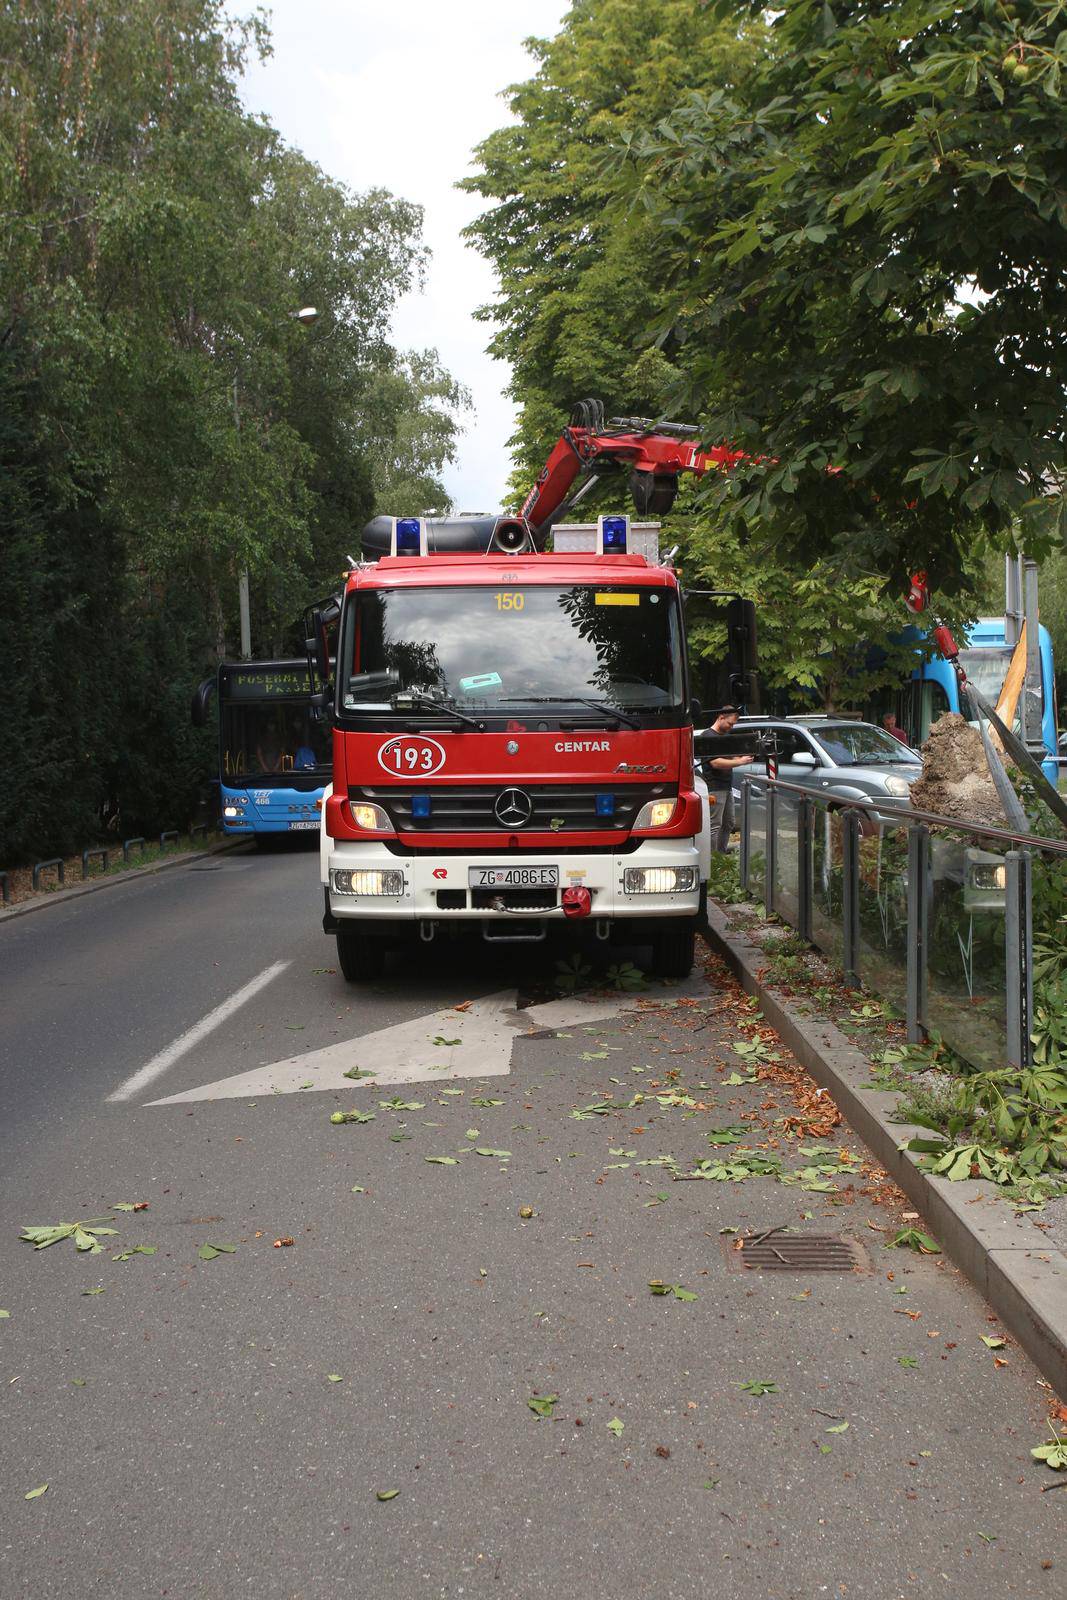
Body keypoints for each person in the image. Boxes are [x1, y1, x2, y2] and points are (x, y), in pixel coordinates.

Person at [702, 706, 752, 850]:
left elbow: (732, 756)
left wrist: (745, 754)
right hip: (714, 787)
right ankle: (712, 859)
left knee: (729, 823)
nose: (731, 727)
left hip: (726, 786)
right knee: (714, 825)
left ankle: (721, 854)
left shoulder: (724, 736)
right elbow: (715, 762)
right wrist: (741, 761)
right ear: (721, 717)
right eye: (730, 723)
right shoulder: (708, 736)